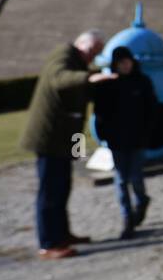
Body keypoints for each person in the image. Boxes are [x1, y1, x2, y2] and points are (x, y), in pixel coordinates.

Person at [20, 30, 116, 260]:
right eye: (93, 51)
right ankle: (49, 244)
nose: (93, 57)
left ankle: (63, 234)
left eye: (97, 53)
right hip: (50, 138)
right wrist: (89, 78)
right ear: (83, 44)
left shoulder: (78, 62)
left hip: (68, 138)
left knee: (63, 188)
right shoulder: (63, 54)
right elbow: (58, 79)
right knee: (50, 191)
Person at [93, 45, 158, 240]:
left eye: (127, 61)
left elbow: (152, 109)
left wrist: (147, 134)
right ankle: (127, 219)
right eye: (121, 63)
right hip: (117, 142)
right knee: (121, 180)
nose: (125, 65)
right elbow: (100, 112)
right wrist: (105, 135)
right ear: (115, 64)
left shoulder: (143, 82)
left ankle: (142, 201)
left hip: (138, 140)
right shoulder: (107, 86)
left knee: (136, 177)